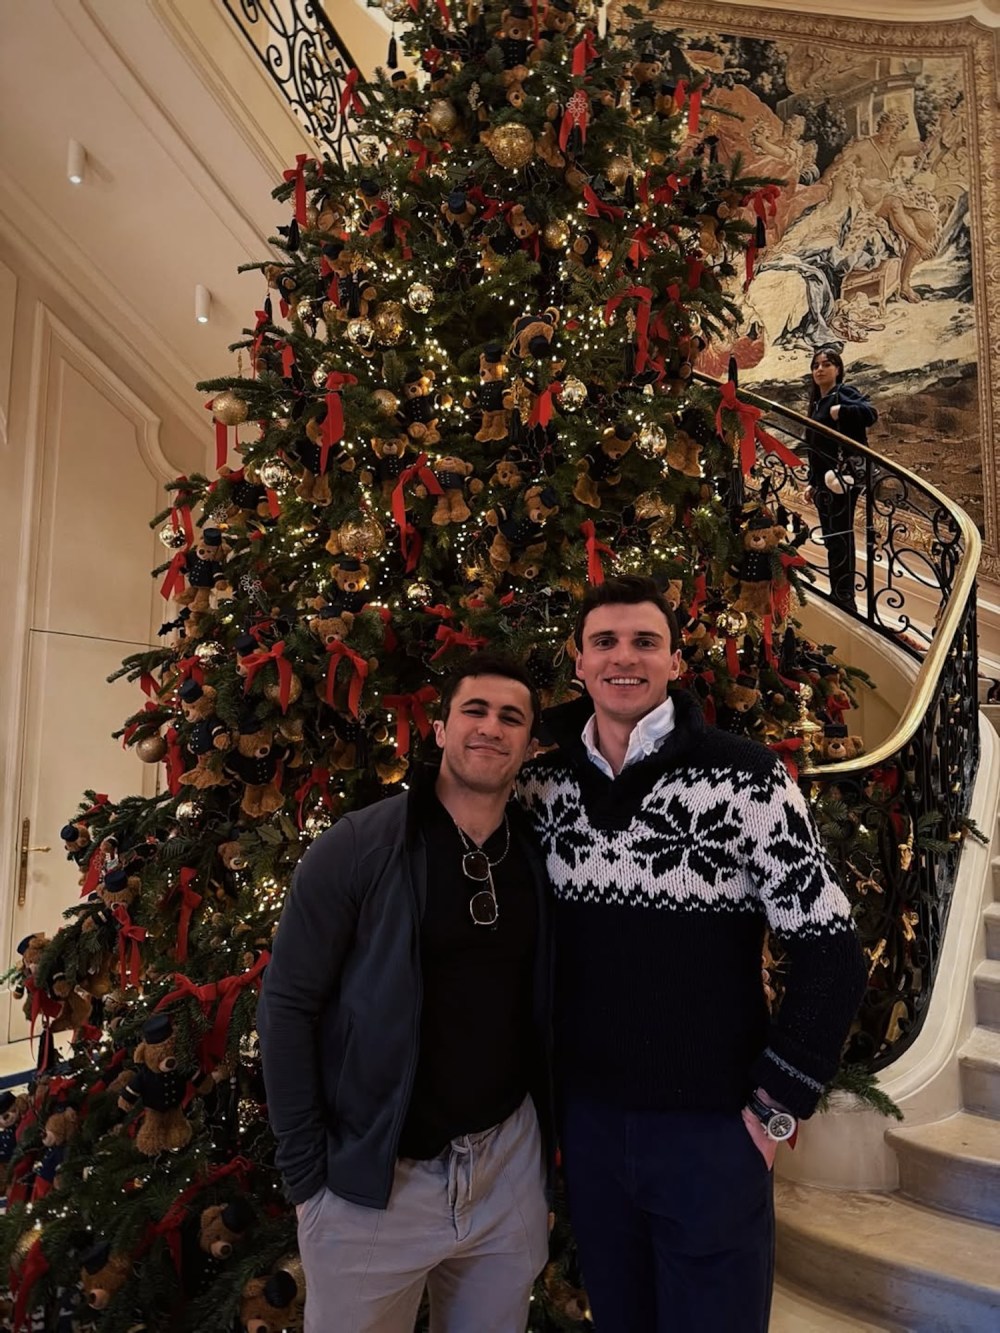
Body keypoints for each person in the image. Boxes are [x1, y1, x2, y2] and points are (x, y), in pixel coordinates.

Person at [517, 575, 867, 1333]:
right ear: (579, 661)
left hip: (711, 1131)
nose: (624, 657)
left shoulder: (747, 777)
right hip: (591, 1127)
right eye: (605, 642)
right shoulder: (540, 784)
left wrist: (775, 1107)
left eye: (645, 641)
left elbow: (833, 951)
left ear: (675, 661)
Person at [258, 655, 553, 1333]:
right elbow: (287, 1006)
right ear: (440, 728)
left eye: (512, 717)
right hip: (375, 1186)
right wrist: (307, 1179)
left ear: (530, 744)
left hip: (506, 1171)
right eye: (474, 710)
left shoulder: (539, 855)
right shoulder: (360, 846)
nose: (491, 727)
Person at [804, 347, 878, 614]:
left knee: (840, 536)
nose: (820, 369)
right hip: (825, 481)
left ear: (838, 369)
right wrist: (812, 482)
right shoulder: (816, 404)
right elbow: (815, 449)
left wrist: (841, 411)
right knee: (832, 537)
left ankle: (844, 596)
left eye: (826, 364)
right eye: (816, 365)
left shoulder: (842, 393)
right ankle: (839, 591)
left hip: (843, 478)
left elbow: (870, 413)